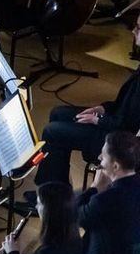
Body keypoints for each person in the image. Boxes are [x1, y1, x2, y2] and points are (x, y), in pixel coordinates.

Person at [34, 16, 140, 186]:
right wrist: (103, 109)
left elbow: (128, 127)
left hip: (119, 141)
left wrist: (98, 120)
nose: (133, 30)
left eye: (138, 28)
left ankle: (53, 196)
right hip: (114, 124)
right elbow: (124, 106)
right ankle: (55, 187)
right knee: (58, 113)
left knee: (52, 132)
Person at [76, 131, 140, 254]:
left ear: (116, 166)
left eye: (103, 157)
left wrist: (95, 186)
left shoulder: (104, 200)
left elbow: (76, 215)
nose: (99, 158)